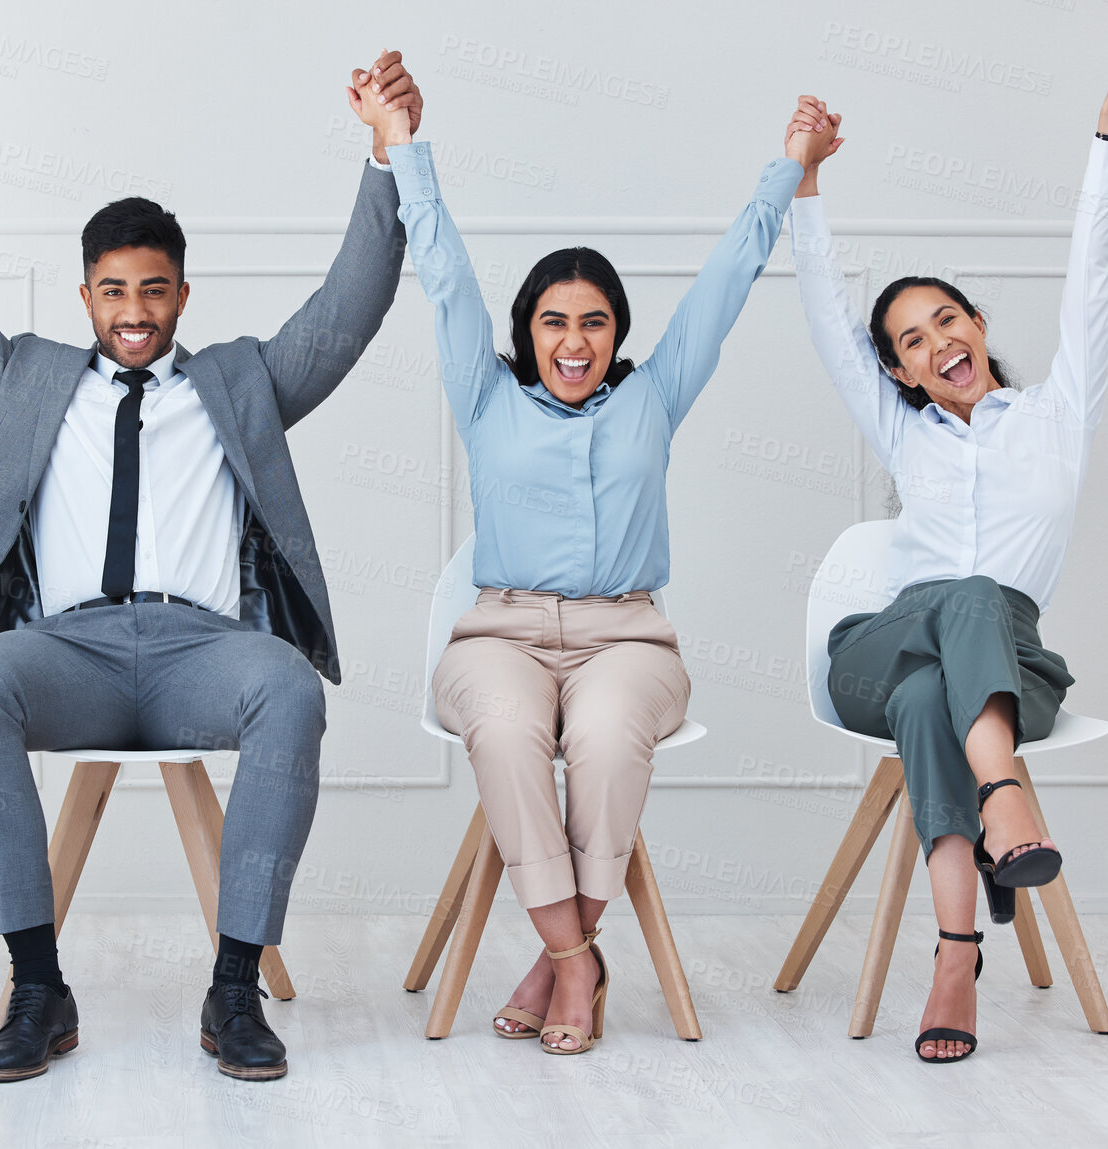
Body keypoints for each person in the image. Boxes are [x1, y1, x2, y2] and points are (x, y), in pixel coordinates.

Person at [0, 48, 421, 1083]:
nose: (133, 309)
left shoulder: (237, 382)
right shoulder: (27, 381)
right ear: (85, 295)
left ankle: (232, 991)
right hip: (65, 650)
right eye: (113, 290)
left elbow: (349, 307)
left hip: (200, 651)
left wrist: (386, 158)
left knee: (288, 689)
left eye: (153, 290)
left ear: (181, 294)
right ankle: (37, 987)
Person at [351, 77, 831, 1052]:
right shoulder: (484, 398)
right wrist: (399, 142)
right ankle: (577, 962)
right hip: (497, 631)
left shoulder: (649, 400)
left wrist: (794, 165)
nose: (573, 341)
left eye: (594, 323)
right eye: (553, 323)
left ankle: (556, 957)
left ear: (616, 335)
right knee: (504, 726)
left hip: (627, 636)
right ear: (526, 334)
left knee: (609, 736)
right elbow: (441, 270)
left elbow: (726, 278)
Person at [786, 21, 1108, 1063]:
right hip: (871, 651)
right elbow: (829, 327)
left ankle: (953, 955)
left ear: (973, 324)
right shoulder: (898, 429)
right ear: (903, 376)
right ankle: (1005, 798)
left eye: (945, 319)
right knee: (959, 599)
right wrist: (805, 184)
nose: (936, 343)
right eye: (909, 343)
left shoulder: (1056, 416)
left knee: (943, 681)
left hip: (1010, 671)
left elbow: (1087, 272)